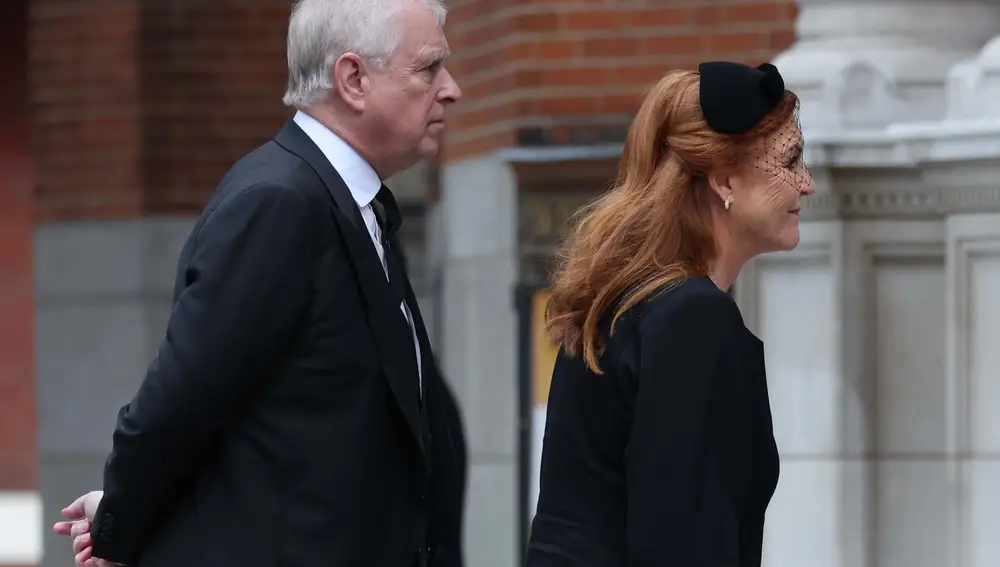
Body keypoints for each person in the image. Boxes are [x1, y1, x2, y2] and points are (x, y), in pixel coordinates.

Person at [51, 0, 465, 566]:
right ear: (353, 79)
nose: (451, 89)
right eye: (428, 68)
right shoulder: (280, 204)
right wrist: (121, 522)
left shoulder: (351, 203)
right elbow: (179, 401)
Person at [523, 61, 815, 567]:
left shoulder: (629, 303)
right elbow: (684, 541)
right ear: (724, 181)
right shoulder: (692, 320)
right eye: (790, 161)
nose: (805, 183)